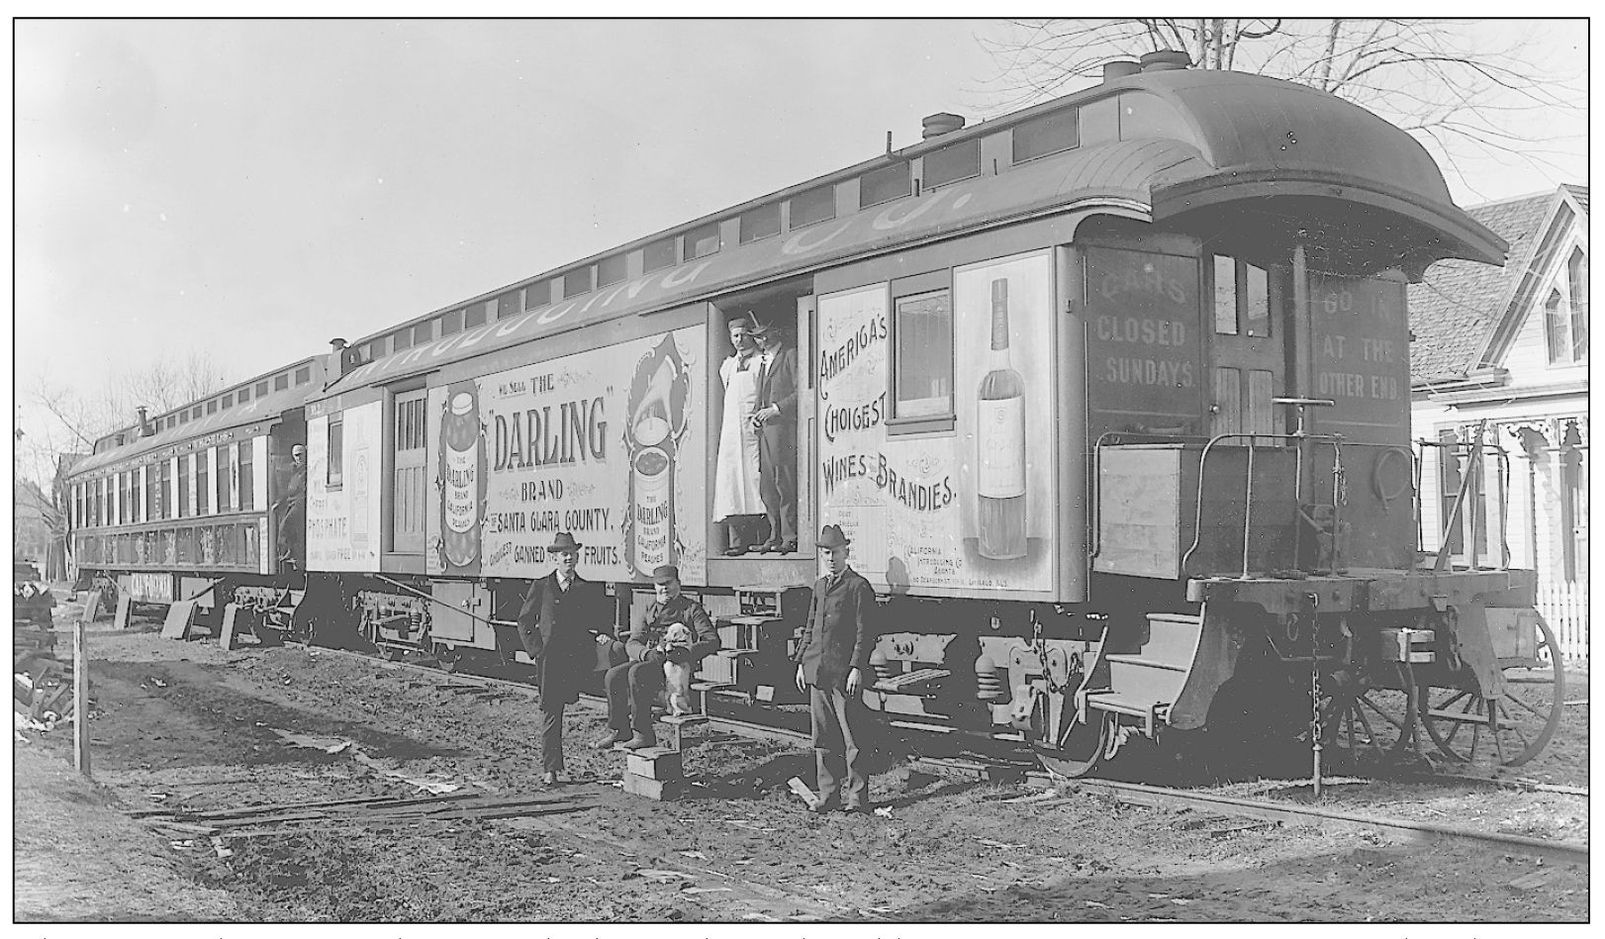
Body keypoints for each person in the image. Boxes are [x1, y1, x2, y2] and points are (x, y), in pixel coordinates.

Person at [793, 525, 878, 812]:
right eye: (826, 553)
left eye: (836, 552)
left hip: (844, 676)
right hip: (817, 671)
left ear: (846, 553)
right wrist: (802, 662)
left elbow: (866, 633)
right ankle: (828, 796)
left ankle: (857, 798)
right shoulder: (819, 586)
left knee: (853, 738)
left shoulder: (858, 586)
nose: (830, 558)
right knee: (824, 738)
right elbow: (810, 628)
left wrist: (857, 668)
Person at [516, 531, 610, 784]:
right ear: (554, 559)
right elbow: (525, 621)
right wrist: (537, 650)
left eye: (572, 554)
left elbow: (599, 620)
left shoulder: (585, 588)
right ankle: (551, 769)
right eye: (563, 554)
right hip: (551, 660)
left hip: (577, 659)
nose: (568, 558)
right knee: (551, 710)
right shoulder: (541, 586)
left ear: (577, 557)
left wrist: (601, 634)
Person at [599, 564, 719, 750]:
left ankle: (643, 733)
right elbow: (633, 642)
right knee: (613, 675)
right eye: (659, 585)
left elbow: (712, 640)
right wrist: (646, 653)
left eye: (668, 583)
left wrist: (687, 652)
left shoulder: (691, 608)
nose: (664, 588)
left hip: (677, 666)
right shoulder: (650, 609)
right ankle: (619, 729)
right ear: (654, 587)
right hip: (653, 660)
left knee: (637, 672)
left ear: (678, 584)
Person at [713, 314, 767, 555]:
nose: (740, 340)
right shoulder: (727, 367)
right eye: (735, 336)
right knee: (732, 484)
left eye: (744, 334)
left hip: (753, 432)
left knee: (755, 482)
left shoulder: (761, 362)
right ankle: (737, 542)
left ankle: (761, 538)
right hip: (731, 435)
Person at [751, 318, 798, 553]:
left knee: (784, 482)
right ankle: (775, 535)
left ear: (776, 332)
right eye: (758, 337)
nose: (763, 340)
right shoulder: (763, 362)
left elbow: (802, 392)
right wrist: (756, 415)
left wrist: (776, 408)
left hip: (783, 431)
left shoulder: (790, 355)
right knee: (768, 486)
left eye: (766, 334)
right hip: (766, 433)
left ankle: (790, 536)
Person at [275, 444, 308, 565]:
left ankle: (291, 552)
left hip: (300, 502)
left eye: (301, 454)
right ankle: (288, 551)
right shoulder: (294, 471)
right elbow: (288, 490)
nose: (298, 457)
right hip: (292, 502)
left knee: (286, 525)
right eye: (296, 455)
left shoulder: (306, 470)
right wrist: (279, 502)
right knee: (282, 526)